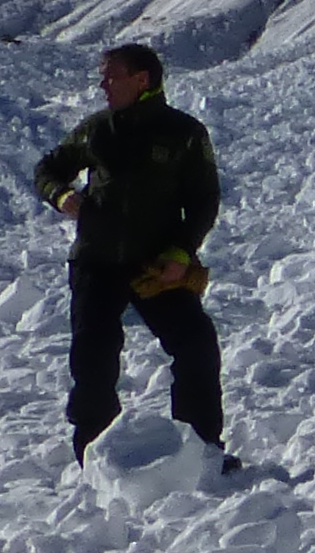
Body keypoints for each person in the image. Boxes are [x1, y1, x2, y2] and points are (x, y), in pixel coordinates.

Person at [34, 40, 230, 466]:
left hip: (156, 267)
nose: (103, 85)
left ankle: (203, 455)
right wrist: (61, 195)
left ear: (142, 80)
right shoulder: (97, 129)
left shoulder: (185, 133)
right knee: (93, 362)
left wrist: (181, 253)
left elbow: (204, 200)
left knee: (196, 346)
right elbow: (47, 170)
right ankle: (94, 457)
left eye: (111, 75)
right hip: (96, 263)